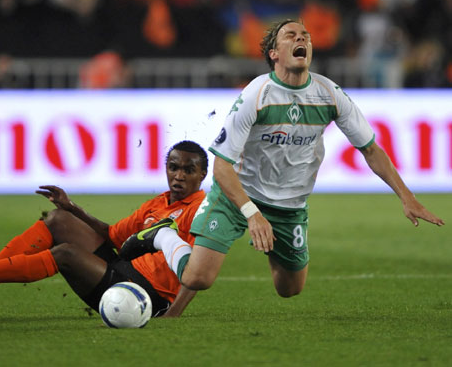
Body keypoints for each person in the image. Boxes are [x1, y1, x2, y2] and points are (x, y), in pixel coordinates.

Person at [120, 19, 445, 299]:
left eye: (305, 35)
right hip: (238, 197)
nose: (301, 38)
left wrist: (407, 197)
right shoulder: (256, 95)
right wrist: (252, 214)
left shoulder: (329, 94)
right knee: (196, 278)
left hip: (290, 205)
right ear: (274, 54)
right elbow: (221, 165)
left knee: (289, 289)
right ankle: (163, 235)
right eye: (290, 35)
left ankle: (272, 244)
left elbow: (370, 149)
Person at [0, 140, 208, 318]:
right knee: (58, 218)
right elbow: (112, 235)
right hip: (123, 270)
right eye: (173, 167)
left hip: (146, 294)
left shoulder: (200, 210)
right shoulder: (157, 204)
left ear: (202, 175)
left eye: (188, 170)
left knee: (66, 254)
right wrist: (72, 206)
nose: (179, 176)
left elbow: (199, 267)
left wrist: (173, 313)